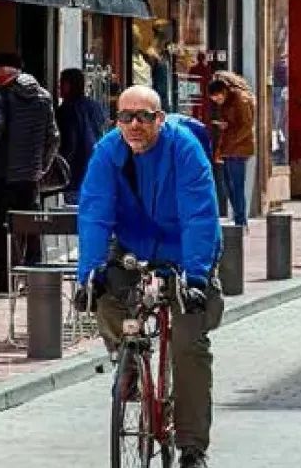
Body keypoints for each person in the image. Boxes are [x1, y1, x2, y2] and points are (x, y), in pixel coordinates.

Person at [77, 86, 224, 468]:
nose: (134, 125)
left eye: (144, 116)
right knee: (104, 295)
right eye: (126, 117)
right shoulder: (108, 152)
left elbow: (199, 215)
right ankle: (127, 359)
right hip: (133, 247)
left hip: (186, 252)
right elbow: (94, 213)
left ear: (160, 118)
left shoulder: (184, 149)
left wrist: (196, 278)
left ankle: (192, 448)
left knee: (188, 346)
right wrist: (88, 272)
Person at [0, 53, 60, 293]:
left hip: (5, 172)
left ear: (3, 74)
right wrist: (42, 166)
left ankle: (7, 279)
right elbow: (54, 137)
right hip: (31, 174)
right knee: (31, 225)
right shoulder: (43, 96)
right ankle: (33, 277)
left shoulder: (2, 95)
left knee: (5, 227)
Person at [208, 71, 256, 227]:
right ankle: (238, 217)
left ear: (224, 91)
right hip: (229, 147)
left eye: (218, 98)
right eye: (215, 100)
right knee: (228, 186)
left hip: (239, 148)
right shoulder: (228, 101)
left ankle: (241, 221)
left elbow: (247, 125)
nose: (217, 102)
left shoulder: (241, 99)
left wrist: (232, 141)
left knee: (236, 185)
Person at [56, 68, 107, 205]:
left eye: (62, 83)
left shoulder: (66, 110)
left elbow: (69, 144)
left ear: (69, 85)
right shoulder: (95, 106)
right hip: (95, 168)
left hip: (75, 171)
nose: (59, 87)